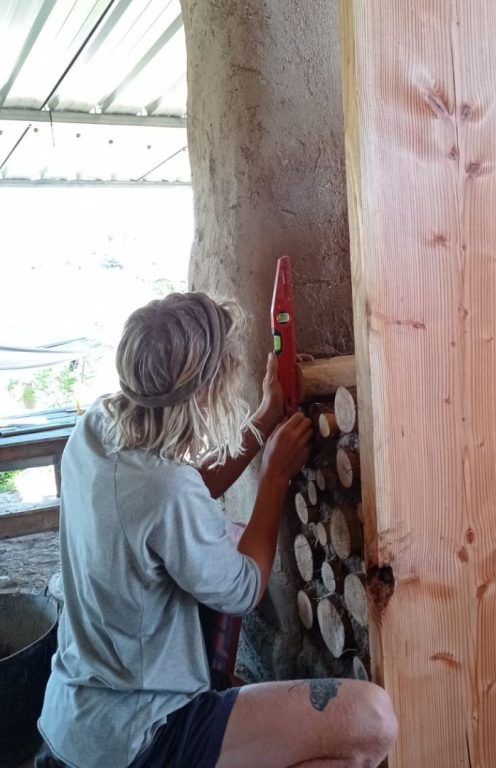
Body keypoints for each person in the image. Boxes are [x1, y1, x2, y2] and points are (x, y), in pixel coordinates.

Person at [36, 292, 397, 768]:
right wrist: (274, 478)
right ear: (206, 390)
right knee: (372, 719)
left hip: (74, 720)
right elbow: (244, 587)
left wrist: (264, 421)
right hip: (139, 737)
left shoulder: (94, 428)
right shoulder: (166, 490)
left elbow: (177, 499)